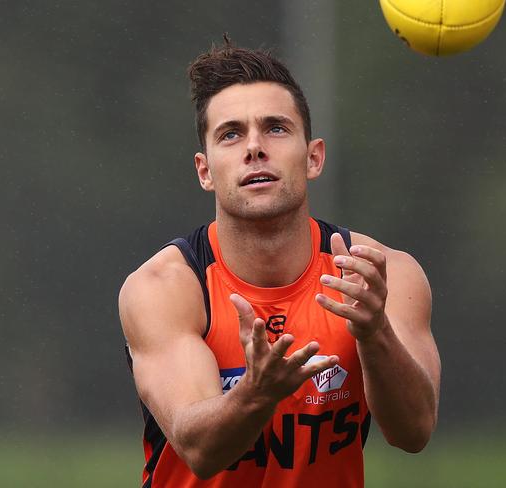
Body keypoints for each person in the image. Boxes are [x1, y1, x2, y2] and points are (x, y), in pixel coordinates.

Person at [118, 36, 441, 488]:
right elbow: (200, 450)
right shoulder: (166, 287)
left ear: (313, 157)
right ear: (205, 170)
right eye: (230, 134)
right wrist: (257, 393)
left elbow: (414, 431)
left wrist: (374, 332)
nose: (254, 147)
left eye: (275, 128)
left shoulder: (379, 274)